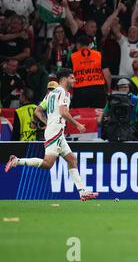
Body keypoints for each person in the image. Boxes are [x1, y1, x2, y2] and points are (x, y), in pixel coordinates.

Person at [5, 68, 99, 201]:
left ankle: (82, 192)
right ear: (64, 78)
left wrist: (47, 121)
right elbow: (63, 112)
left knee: (72, 160)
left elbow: (38, 110)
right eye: (72, 78)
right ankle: (16, 161)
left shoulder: (51, 93)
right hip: (55, 131)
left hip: (55, 130)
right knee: (47, 164)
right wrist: (77, 124)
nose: (74, 80)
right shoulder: (64, 93)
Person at [69, 35, 109, 108]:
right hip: (98, 90)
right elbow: (107, 74)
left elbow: (68, 76)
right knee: (99, 115)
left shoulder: (73, 57)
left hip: (80, 91)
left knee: (80, 115)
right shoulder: (98, 55)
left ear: (78, 45)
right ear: (88, 44)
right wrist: (108, 89)